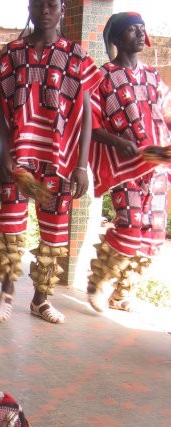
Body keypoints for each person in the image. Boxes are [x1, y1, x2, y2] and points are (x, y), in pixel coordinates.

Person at [0, 0, 102, 325]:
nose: (45, 9)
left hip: (60, 160)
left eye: (52, 4)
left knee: (53, 235)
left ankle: (41, 300)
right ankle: (6, 293)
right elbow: (1, 111)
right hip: (18, 158)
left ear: (63, 10)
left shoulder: (77, 57)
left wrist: (81, 166)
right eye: (38, 3)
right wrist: (4, 155)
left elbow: (85, 118)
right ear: (29, 7)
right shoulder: (11, 54)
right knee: (10, 228)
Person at [87, 12, 171, 313]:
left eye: (142, 29)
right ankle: (99, 281)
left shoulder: (153, 76)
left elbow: (167, 113)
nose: (140, 34)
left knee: (153, 231)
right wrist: (119, 142)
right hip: (127, 168)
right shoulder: (103, 77)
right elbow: (91, 124)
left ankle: (123, 293)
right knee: (130, 225)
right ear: (118, 38)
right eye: (133, 30)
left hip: (158, 164)